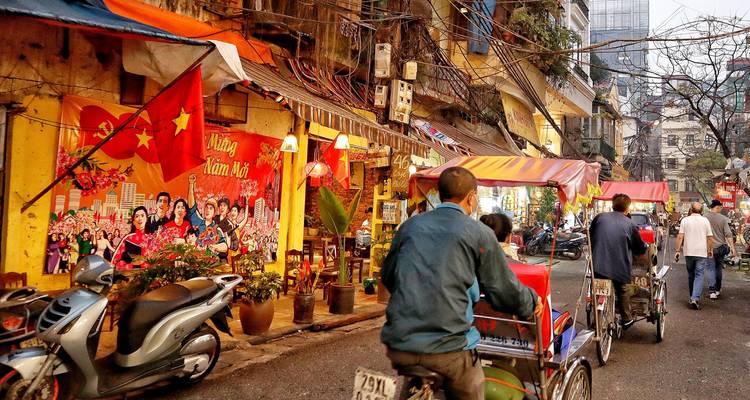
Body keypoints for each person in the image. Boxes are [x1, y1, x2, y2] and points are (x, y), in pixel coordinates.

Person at [380, 167, 541, 400]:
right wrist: (531, 301)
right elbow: (502, 288)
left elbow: (388, 276)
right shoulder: (478, 232)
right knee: (471, 385)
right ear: (471, 197)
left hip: (399, 343)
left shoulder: (410, 227)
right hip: (449, 347)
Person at [590, 193, 648, 329]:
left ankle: (596, 318)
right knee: (622, 289)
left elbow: (591, 235)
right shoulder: (630, 224)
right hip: (619, 268)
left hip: (598, 264)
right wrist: (643, 247)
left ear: (612, 205)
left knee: (597, 289)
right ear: (627, 209)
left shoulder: (599, 217)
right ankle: (626, 318)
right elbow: (639, 248)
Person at [675, 202, 714, 310]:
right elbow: (710, 238)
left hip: (688, 252)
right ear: (702, 211)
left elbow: (680, 237)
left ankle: (692, 296)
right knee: (699, 275)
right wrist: (710, 250)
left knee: (691, 275)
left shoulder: (685, 220)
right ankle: (694, 298)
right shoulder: (705, 221)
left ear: (691, 210)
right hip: (701, 253)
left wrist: (677, 251)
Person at [187, 174, 227, 255]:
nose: (208, 210)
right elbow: (191, 207)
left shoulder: (216, 229)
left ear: (215, 213)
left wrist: (213, 246)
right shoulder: (198, 221)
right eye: (206, 207)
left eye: (211, 208)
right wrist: (191, 184)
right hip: (195, 260)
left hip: (210, 262)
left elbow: (225, 246)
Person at [704, 200, 735, 299]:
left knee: (710, 269)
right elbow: (728, 234)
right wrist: (733, 248)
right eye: (720, 207)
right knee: (718, 268)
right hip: (720, 248)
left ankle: (712, 291)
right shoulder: (723, 219)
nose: (721, 209)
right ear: (717, 207)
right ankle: (717, 289)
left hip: (708, 248)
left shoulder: (704, 218)